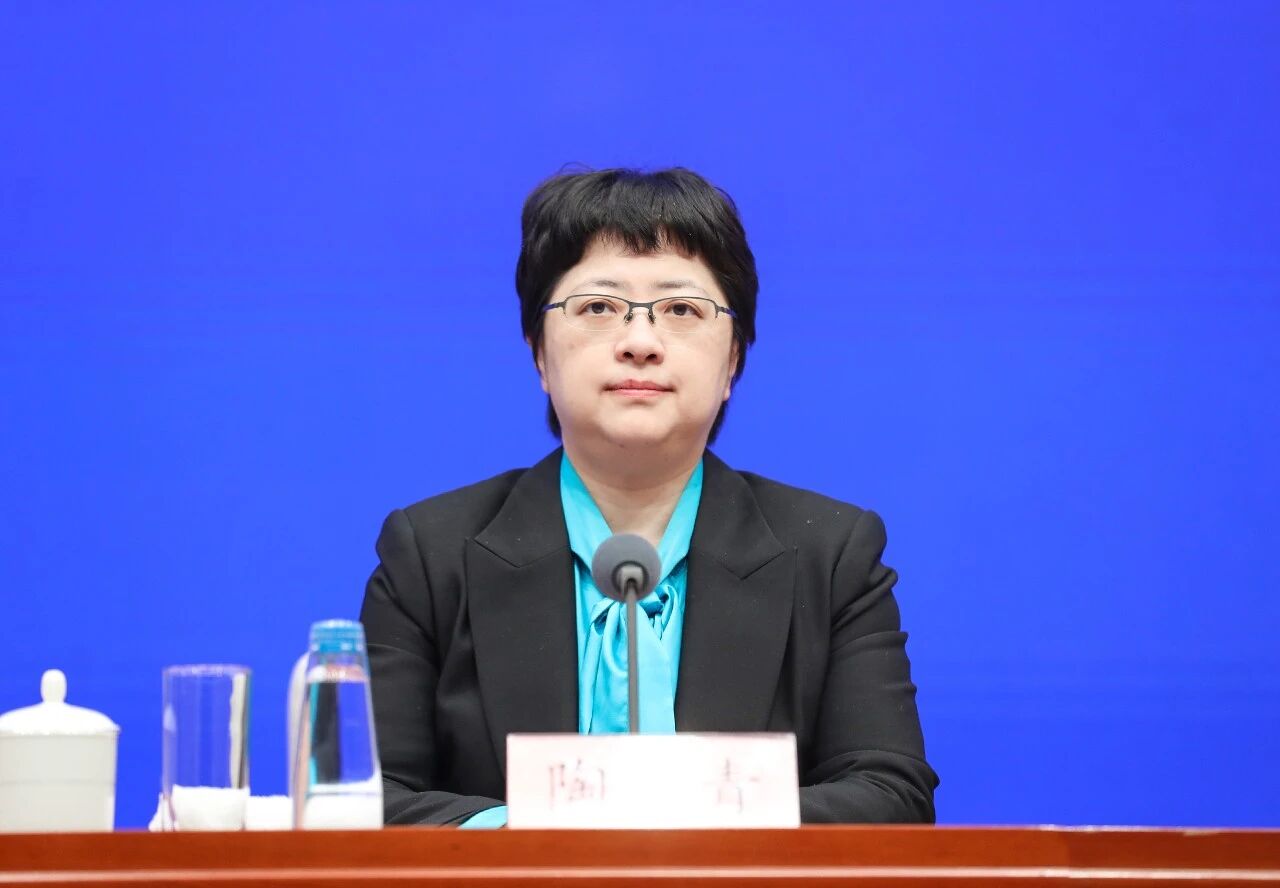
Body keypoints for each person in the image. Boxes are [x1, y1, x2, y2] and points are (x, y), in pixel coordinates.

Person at [359, 168, 938, 826]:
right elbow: (364, 800)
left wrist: (696, 827)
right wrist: (535, 837)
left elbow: (891, 796)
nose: (639, 342)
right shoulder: (430, 556)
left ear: (733, 361)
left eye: (682, 310)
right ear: (539, 354)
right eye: (598, 308)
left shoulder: (832, 557)